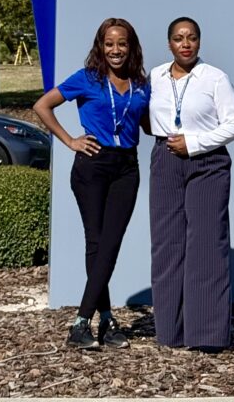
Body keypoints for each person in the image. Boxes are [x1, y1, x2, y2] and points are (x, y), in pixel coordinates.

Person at [33, 18, 150, 350]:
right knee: (97, 243)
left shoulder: (141, 84)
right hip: (92, 167)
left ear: (131, 47)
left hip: (127, 168)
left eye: (122, 43)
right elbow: (42, 105)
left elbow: (146, 123)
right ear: (101, 46)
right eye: (109, 43)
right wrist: (70, 140)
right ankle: (94, 322)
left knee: (109, 245)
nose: (115, 50)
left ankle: (92, 322)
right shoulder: (87, 79)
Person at [148, 17, 234, 351]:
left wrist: (195, 143)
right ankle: (170, 334)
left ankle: (206, 336)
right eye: (178, 38)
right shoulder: (156, 77)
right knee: (166, 246)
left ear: (199, 42)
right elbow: (146, 116)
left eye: (191, 38)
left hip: (207, 164)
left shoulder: (215, 78)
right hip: (165, 162)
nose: (185, 43)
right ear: (169, 43)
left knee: (206, 247)